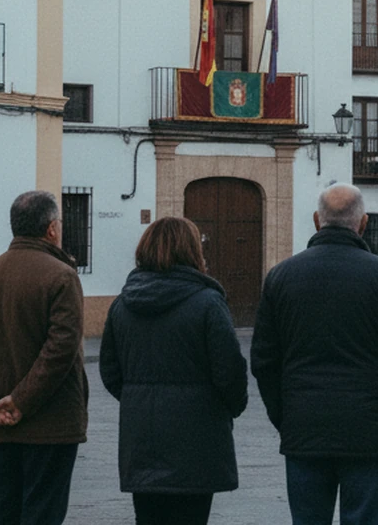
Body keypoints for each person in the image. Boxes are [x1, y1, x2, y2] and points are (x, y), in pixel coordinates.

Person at [251, 184, 378, 525]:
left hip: (304, 426)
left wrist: (284, 416)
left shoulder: (281, 277)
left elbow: (264, 361)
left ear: (317, 221)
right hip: (370, 429)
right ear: (363, 224)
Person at [100, 216, 249, 525]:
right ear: (192, 251)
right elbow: (229, 371)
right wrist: (227, 408)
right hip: (197, 439)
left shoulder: (123, 304)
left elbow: (110, 372)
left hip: (142, 438)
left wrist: (140, 399)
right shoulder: (208, 302)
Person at [0, 191, 88, 525]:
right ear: (52, 229)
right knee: (43, 511)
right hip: (51, 423)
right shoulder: (61, 276)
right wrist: (21, 401)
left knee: (4, 510)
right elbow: (60, 348)